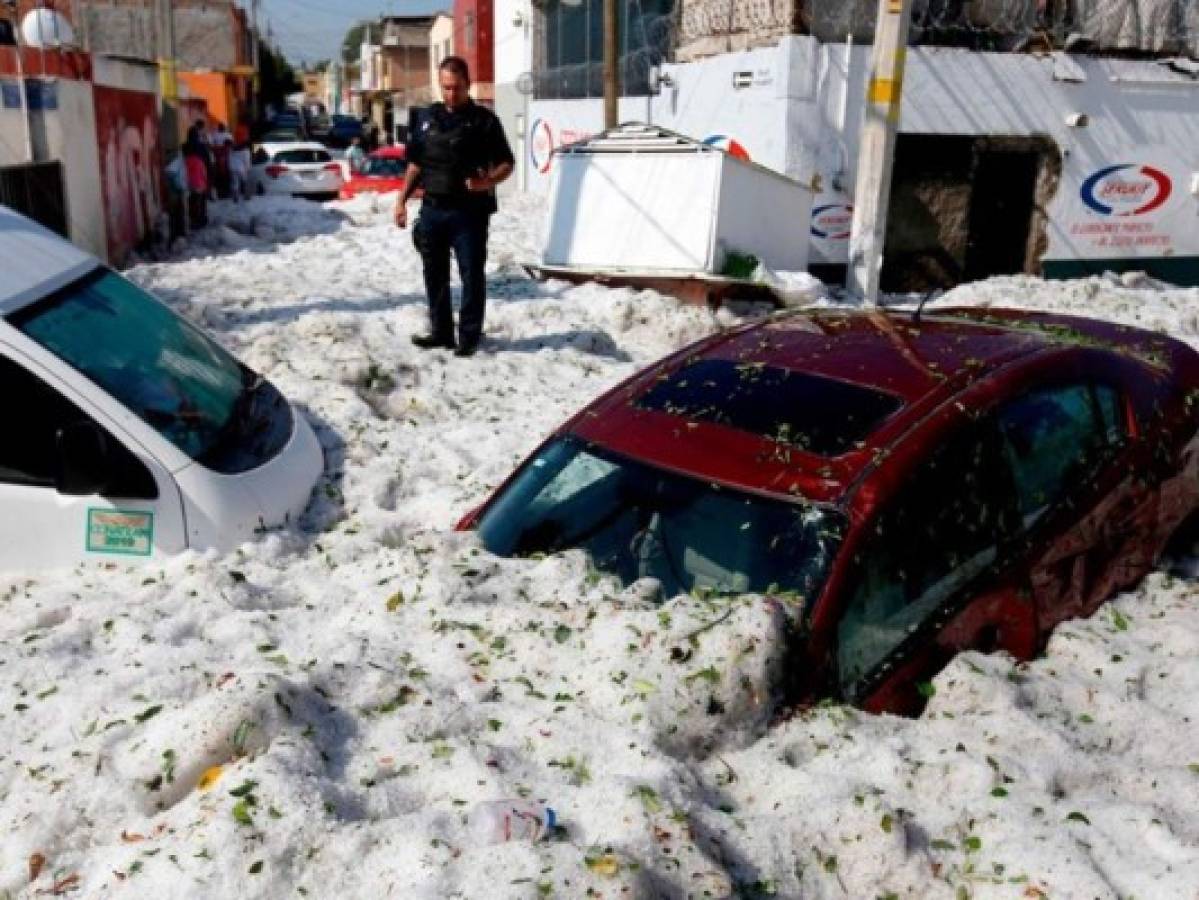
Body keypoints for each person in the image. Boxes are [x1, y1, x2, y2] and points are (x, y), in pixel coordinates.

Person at [394, 56, 514, 357]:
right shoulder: (425, 118)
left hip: (469, 213)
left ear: (468, 85)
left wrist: (487, 183)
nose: (451, 94)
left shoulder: (484, 121)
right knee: (434, 273)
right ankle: (441, 332)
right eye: (446, 88)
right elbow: (415, 165)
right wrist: (401, 201)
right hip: (432, 209)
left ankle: (469, 337)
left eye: (457, 88)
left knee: (471, 275)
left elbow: (506, 163)